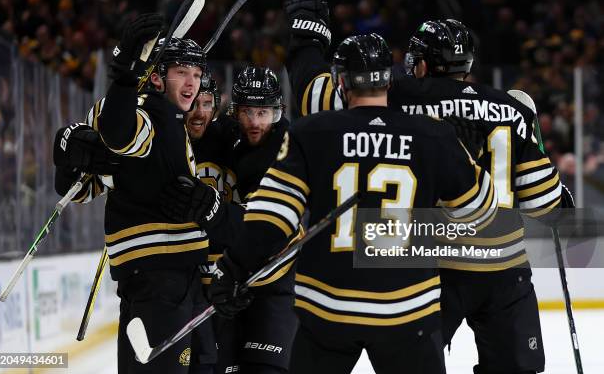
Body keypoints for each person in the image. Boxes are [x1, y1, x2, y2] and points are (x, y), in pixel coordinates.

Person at [283, 0, 572, 373]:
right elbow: (545, 206)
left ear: (420, 63)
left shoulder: (396, 97)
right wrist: (561, 197)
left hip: (433, 266)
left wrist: (307, 41)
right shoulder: (511, 109)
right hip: (504, 270)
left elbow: (316, 99)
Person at [207, 33, 498, 374]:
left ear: (340, 81)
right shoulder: (432, 134)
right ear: (389, 80)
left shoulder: (310, 132)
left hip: (328, 311)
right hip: (408, 312)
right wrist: (470, 159)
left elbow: (271, 217)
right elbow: (479, 214)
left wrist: (234, 268)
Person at [52, 13, 222, 373]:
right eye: (182, 72)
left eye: (196, 74)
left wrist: (68, 158)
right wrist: (125, 75)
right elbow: (118, 131)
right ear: (157, 77)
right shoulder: (153, 115)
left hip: (171, 280)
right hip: (162, 281)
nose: (192, 82)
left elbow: (81, 187)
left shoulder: (171, 122)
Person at [176, 66, 299, 374]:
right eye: (247, 112)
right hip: (233, 283)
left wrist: (215, 210)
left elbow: (265, 226)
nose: (255, 122)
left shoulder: (288, 151)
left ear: (278, 111)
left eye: (264, 112)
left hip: (275, 284)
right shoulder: (231, 140)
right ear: (233, 112)